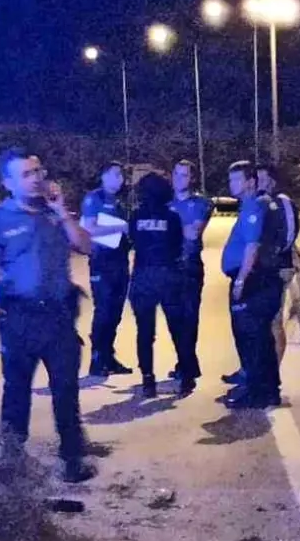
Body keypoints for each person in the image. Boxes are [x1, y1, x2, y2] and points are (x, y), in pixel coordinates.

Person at [0, 148, 97, 483]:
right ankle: (12, 463)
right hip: (19, 316)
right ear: (8, 183)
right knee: (16, 390)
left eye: (38, 171)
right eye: (26, 174)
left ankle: (73, 459)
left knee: (66, 389)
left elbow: (86, 246)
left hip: (58, 315)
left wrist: (63, 212)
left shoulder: (54, 214)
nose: (36, 179)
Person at [219, 161, 288, 409]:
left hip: (252, 281)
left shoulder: (253, 207)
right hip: (259, 280)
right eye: (231, 180)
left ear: (250, 182)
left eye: (237, 180)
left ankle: (256, 392)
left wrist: (241, 280)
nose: (232, 184)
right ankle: (268, 390)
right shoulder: (256, 205)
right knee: (261, 338)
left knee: (251, 339)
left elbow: (252, 246)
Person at [127, 173, 200, 398]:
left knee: (145, 332)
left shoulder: (135, 216)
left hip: (143, 277)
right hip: (169, 276)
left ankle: (148, 379)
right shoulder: (172, 217)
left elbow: (133, 241)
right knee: (178, 329)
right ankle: (186, 376)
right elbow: (179, 244)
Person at [81, 162, 133, 377]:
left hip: (120, 260)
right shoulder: (94, 198)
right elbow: (90, 229)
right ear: (103, 176)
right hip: (101, 262)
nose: (120, 178)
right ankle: (97, 358)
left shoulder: (121, 202)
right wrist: (121, 227)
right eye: (115, 174)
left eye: (121, 175)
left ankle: (108, 356)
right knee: (103, 310)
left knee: (115, 312)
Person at [166, 159, 211, 383]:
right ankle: (186, 363)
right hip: (169, 267)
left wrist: (167, 227)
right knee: (174, 319)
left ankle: (187, 366)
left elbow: (194, 234)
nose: (178, 179)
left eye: (184, 175)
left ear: (192, 178)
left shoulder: (201, 203)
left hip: (189, 266)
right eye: (176, 174)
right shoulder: (165, 203)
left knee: (189, 317)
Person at [257, 163, 300, 365]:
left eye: (263, 179)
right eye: (257, 179)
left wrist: (274, 254)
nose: (259, 183)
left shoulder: (283, 202)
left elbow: (290, 233)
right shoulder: (259, 202)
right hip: (262, 270)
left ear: (272, 181)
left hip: (279, 269)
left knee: (274, 321)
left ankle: (273, 370)